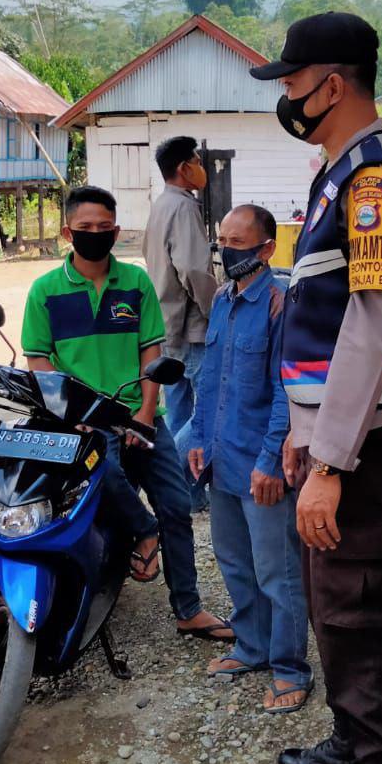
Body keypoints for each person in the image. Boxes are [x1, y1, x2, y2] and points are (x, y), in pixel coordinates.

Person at [251, 12, 382, 764]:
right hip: (335, 440)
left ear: (334, 82)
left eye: (293, 82)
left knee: (360, 619)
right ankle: (351, 743)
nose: (287, 96)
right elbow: (322, 330)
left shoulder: (377, 183)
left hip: (365, 453)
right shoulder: (337, 174)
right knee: (334, 609)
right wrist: (301, 435)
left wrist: (329, 461)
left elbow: (371, 333)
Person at [22, 185, 233, 642]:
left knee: (177, 503)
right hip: (80, 422)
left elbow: (151, 353)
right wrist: (66, 415)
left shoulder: (135, 283)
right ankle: (142, 532)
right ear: (67, 232)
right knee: (106, 478)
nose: (95, 235)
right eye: (85, 228)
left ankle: (188, 608)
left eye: (104, 228)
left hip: (139, 413)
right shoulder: (46, 291)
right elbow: (39, 361)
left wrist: (144, 411)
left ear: (116, 232)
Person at [187, 204, 311, 713]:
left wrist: (269, 461)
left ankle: (289, 668)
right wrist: (197, 436)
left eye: (238, 243)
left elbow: (289, 391)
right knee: (235, 563)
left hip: (263, 465)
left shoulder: (283, 303)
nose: (226, 250)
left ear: (265, 249)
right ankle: (251, 647)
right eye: (222, 241)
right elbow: (208, 376)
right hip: (222, 460)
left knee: (277, 574)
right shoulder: (221, 299)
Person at [143, 136, 218, 510]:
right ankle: (170, 479)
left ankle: (185, 495)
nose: (201, 168)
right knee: (208, 411)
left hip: (165, 322)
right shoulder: (184, 208)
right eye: (197, 161)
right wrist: (216, 311)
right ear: (185, 168)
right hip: (193, 327)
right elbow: (192, 269)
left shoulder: (161, 206)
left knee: (179, 414)